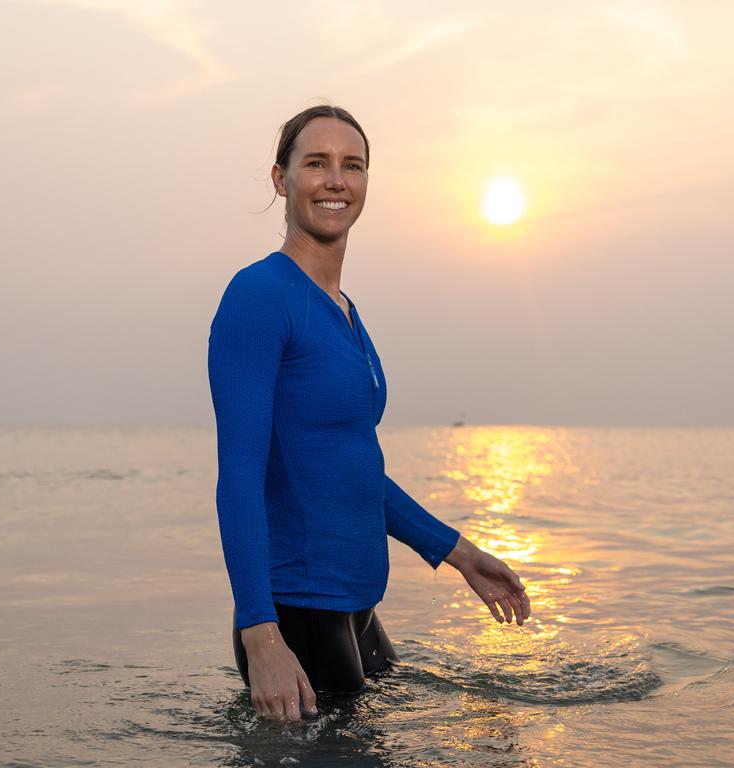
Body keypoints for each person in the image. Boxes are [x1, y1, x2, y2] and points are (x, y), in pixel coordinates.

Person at [207, 105, 531, 723]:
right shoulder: (258, 297)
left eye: (351, 166)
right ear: (281, 179)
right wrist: (261, 636)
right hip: (296, 610)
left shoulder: (344, 308)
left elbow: (346, 468)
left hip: (355, 608)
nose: (336, 180)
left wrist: (460, 554)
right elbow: (240, 479)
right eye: (316, 164)